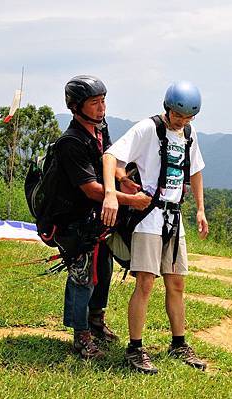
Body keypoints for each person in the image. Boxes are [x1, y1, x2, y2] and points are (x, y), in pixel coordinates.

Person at [101, 81, 209, 374]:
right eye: (178, 116)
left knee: (176, 284)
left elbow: (195, 170)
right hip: (149, 217)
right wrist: (112, 193)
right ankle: (135, 349)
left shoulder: (188, 134)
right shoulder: (148, 129)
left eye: (188, 117)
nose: (182, 121)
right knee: (146, 283)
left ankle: (179, 343)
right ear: (167, 108)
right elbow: (111, 156)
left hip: (174, 220)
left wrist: (200, 209)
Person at [56, 75, 151, 359]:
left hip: (96, 218)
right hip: (73, 219)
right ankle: (80, 334)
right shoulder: (70, 142)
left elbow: (110, 161)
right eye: (95, 103)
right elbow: (92, 189)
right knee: (83, 274)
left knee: (103, 269)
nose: (102, 108)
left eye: (103, 101)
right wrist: (131, 200)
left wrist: (122, 178)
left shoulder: (100, 130)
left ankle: (96, 321)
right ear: (75, 107)